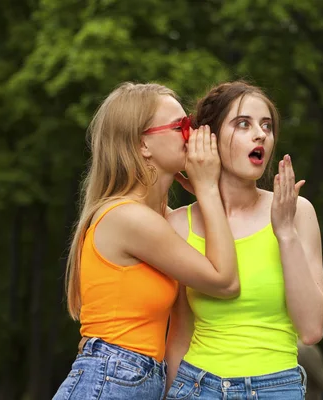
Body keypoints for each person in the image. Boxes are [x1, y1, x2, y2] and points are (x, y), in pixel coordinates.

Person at [52, 82, 240, 400]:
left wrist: (211, 193)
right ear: (143, 145)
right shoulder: (128, 218)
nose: (192, 135)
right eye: (181, 126)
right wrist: (207, 188)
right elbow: (224, 281)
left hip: (130, 379)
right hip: (110, 379)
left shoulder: (156, 218)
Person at [165, 81, 323, 399]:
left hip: (277, 387)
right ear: (208, 138)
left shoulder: (297, 213)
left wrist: (285, 233)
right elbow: (179, 335)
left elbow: (311, 330)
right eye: (244, 124)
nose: (261, 135)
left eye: (267, 126)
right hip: (197, 386)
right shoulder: (177, 225)